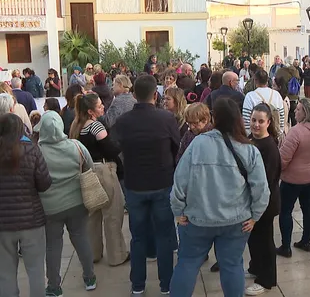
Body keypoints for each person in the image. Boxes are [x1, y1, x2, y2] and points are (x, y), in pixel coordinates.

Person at [170, 97, 269, 297]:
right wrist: (255, 216)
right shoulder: (249, 149)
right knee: (232, 265)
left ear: (213, 118)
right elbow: (262, 189)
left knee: (187, 264)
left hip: (197, 220)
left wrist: (178, 210)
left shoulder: (197, 144)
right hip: (236, 221)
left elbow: (179, 181)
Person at [115, 75, 180, 295]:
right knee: (164, 235)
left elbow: (116, 149)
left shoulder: (123, 121)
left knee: (138, 236)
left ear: (134, 95)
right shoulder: (166, 119)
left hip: (135, 185)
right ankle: (166, 284)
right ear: (155, 95)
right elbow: (176, 148)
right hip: (162, 182)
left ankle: (138, 285)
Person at [36, 111, 97, 296]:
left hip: (50, 208)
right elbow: (90, 167)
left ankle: (54, 286)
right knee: (81, 238)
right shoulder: (76, 146)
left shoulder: (37, 151)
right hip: (77, 203)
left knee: (53, 246)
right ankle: (89, 278)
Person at [69, 93, 129, 266]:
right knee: (113, 214)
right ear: (91, 111)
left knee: (92, 216)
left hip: (86, 171)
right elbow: (111, 150)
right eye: (100, 105)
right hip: (103, 170)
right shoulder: (96, 127)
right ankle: (117, 255)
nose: (103, 107)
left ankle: (93, 253)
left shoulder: (76, 126)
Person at [0, 113, 52, 297]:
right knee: (36, 270)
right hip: (32, 219)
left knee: (5, 274)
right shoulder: (32, 150)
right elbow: (44, 183)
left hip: (3, 223)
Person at [276, 98, 310, 258]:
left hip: (293, 178)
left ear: (306, 113)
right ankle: (306, 241)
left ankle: (285, 246)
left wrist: (276, 172)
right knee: (308, 208)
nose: (295, 112)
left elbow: (283, 158)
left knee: (285, 211)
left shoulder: (296, 132)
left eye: (298, 109)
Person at [245, 104, 282, 296]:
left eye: (260, 121)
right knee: (254, 239)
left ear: (268, 122)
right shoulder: (250, 140)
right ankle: (255, 267)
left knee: (265, 241)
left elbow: (267, 180)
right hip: (252, 201)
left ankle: (266, 279)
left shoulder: (269, 147)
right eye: (253, 120)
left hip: (265, 203)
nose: (256, 125)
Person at [242, 69, 285, 135]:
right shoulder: (276, 95)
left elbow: (246, 119)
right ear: (267, 80)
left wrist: (250, 135)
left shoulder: (250, 96)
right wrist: (279, 133)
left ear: (255, 80)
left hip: (256, 135)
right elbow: (281, 116)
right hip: (273, 134)